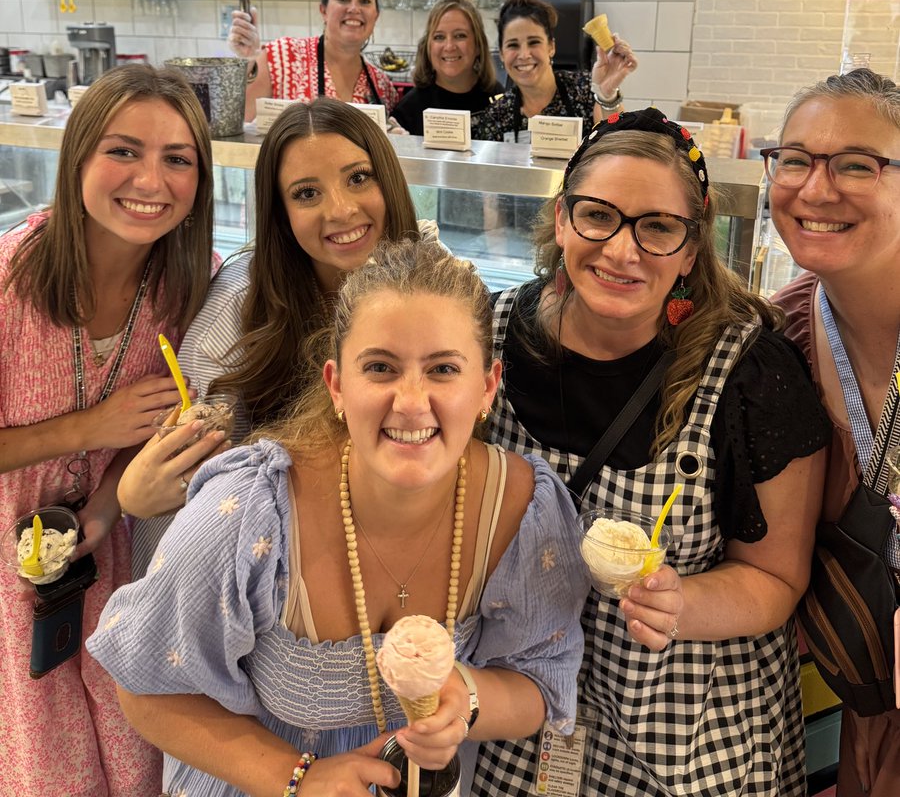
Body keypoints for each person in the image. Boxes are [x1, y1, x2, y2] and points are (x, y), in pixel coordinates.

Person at [87, 239, 589, 797]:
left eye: (443, 369)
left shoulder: (524, 510)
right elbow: (145, 689)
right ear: (337, 386)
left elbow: (538, 683)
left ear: (487, 387)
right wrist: (297, 778)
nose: (411, 402)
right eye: (380, 367)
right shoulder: (246, 514)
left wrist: (468, 698)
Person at [475, 107, 831, 796]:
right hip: (522, 729)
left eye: (658, 228)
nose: (622, 250)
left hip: (687, 747)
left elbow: (777, 580)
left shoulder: (750, 374)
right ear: (561, 219)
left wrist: (681, 602)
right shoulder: (484, 341)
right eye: (598, 215)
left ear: (692, 249)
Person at [0, 64, 216, 797]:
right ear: (78, 158)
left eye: (177, 158)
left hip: (120, 554)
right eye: (124, 151)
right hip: (8, 569)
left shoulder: (191, 286)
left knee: (135, 759)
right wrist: (85, 427)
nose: (150, 180)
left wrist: (101, 508)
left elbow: (161, 431)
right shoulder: (7, 279)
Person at [119, 97, 425, 577]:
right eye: (307, 193)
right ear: (279, 214)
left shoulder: (436, 289)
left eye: (358, 178)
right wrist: (145, 494)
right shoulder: (235, 317)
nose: (341, 210)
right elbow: (188, 497)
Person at [769, 68, 900, 797]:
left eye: (858, 164)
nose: (816, 191)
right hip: (870, 701)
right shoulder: (776, 339)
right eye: (795, 159)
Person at [228, 0, 399, 120]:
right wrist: (246, 62)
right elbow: (241, 120)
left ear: (376, 15)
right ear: (323, 10)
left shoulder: (383, 87)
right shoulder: (282, 57)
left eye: (365, 1)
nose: (354, 8)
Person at [469, 0, 638, 142]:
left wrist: (606, 94)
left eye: (534, 42)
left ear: (551, 47)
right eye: (513, 45)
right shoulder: (497, 115)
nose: (524, 55)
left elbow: (617, 145)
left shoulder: (585, 90)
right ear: (501, 54)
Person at [392, 0, 504, 135]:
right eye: (439, 37)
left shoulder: (497, 97)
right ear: (428, 47)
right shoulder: (408, 109)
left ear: (478, 45)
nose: (449, 46)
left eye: (460, 36)